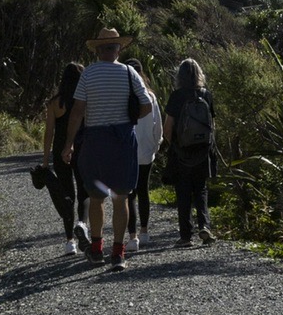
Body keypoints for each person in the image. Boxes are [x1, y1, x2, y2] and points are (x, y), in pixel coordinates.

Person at [60, 27, 149, 268]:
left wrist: (68, 144)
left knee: (97, 197)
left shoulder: (88, 74)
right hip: (122, 140)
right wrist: (129, 119)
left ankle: (97, 248)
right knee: (121, 198)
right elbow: (147, 105)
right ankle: (118, 253)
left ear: (98, 50)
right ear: (118, 49)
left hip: (95, 140)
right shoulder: (131, 73)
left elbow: (78, 111)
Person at [162, 56, 216, 247]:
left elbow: (167, 128)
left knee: (183, 192)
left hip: (181, 151)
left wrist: (174, 144)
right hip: (202, 151)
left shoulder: (177, 96)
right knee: (201, 189)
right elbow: (212, 126)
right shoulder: (206, 94)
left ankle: (186, 236)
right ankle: (205, 226)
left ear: (180, 76)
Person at [38, 61, 86, 255]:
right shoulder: (83, 100)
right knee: (84, 191)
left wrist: (45, 160)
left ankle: (69, 241)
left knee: (67, 194)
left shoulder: (54, 103)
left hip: (60, 150)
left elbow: (48, 132)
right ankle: (83, 226)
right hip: (81, 147)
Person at [123, 57, 161, 254]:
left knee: (129, 195)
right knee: (144, 191)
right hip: (146, 151)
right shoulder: (151, 96)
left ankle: (132, 237)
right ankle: (144, 231)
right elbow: (158, 126)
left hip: (127, 151)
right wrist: (155, 146)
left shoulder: (122, 95)